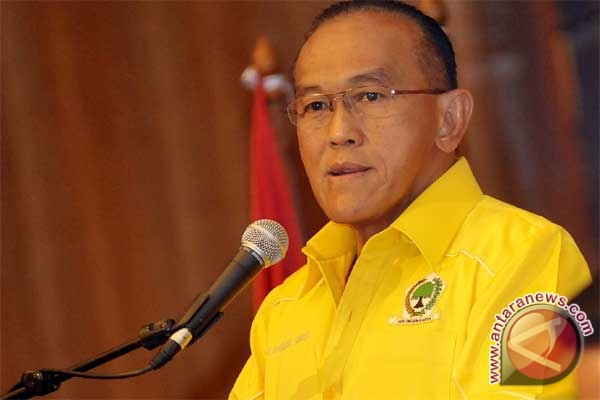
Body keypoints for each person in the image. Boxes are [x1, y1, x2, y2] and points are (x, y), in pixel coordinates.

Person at [230, 1, 592, 399]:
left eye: (370, 96)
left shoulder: (524, 256)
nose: (338, 132)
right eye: (316, 105)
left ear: (449, 119)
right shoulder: (286, 306)